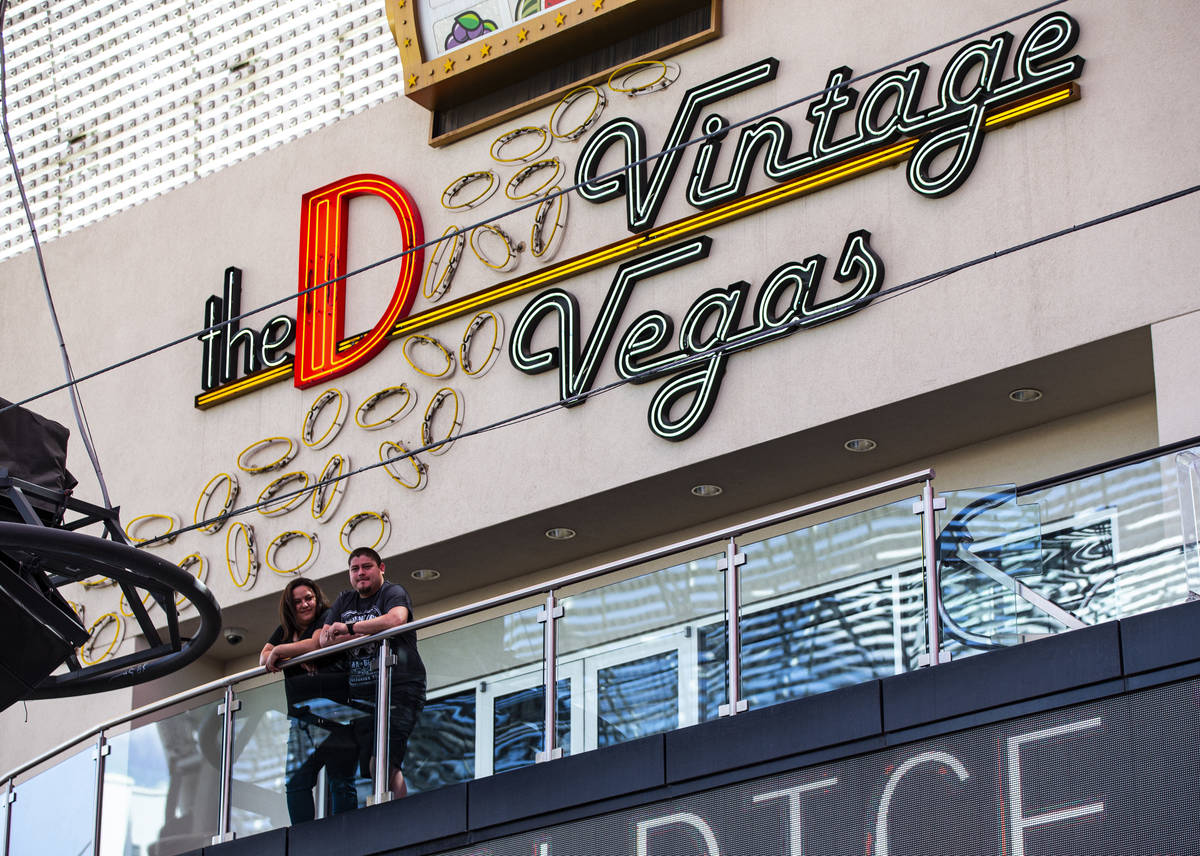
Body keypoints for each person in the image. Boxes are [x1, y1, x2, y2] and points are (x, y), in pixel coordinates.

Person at [318, 547, 426, 798]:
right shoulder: (345, 600)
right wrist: (363, 630)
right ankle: (386, 811)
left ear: (381, 568)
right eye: (355, 569)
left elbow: (396, 619)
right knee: (371, 765)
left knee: (385, 761)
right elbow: (325, 640)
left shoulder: (392, 592)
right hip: (363, 693)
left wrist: (350, 627)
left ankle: (397, 817)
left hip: (400, 686)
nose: (361, 573)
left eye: (367, 567)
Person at [260, 577, 357, 822]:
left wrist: (281, 652)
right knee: (296, 784)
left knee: (341, 782)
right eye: (297, 601)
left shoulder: (326, 616)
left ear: (317, 597)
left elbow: (315, 643)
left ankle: (346, 837)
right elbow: (263, 659)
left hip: (335, 713)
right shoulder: (284, 630)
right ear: (289, 606)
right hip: (302, 719)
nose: (305, 604)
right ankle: (304, 841)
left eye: (309, 598)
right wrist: (288, 651)